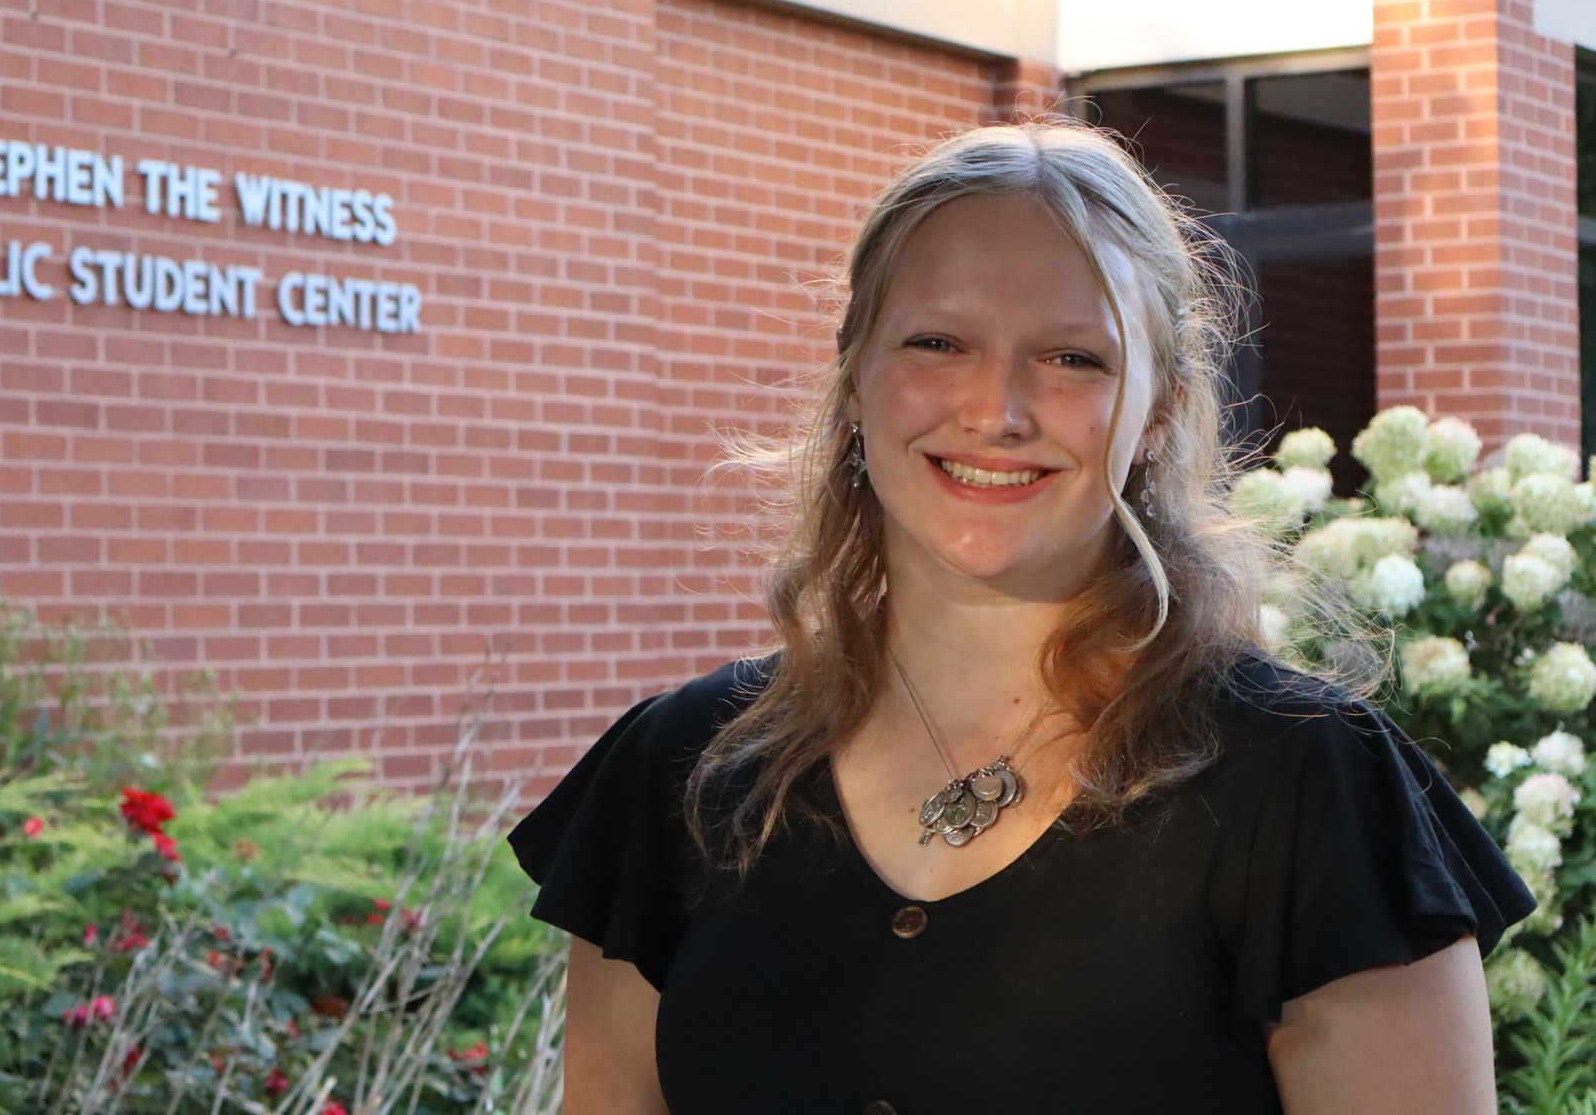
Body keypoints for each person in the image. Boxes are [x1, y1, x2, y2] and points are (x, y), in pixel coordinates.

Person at [506, 119, 1534, 1114]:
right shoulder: (679, 772)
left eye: (1073, 357)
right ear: (856, 376)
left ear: (1159, 411)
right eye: (938, 340)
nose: (995, 409)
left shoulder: (1313, 790)